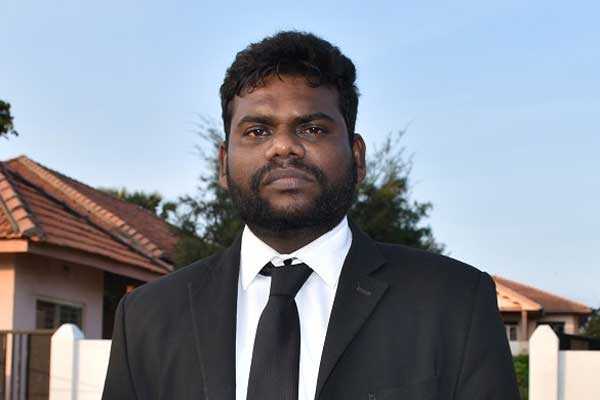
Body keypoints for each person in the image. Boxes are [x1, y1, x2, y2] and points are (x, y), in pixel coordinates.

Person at [102, 31, 520, 400]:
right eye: (258, 131)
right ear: (223, 164)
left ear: (357, 157)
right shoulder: (147, 318)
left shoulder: (454, 302)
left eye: (312, 129)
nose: (283, 147)